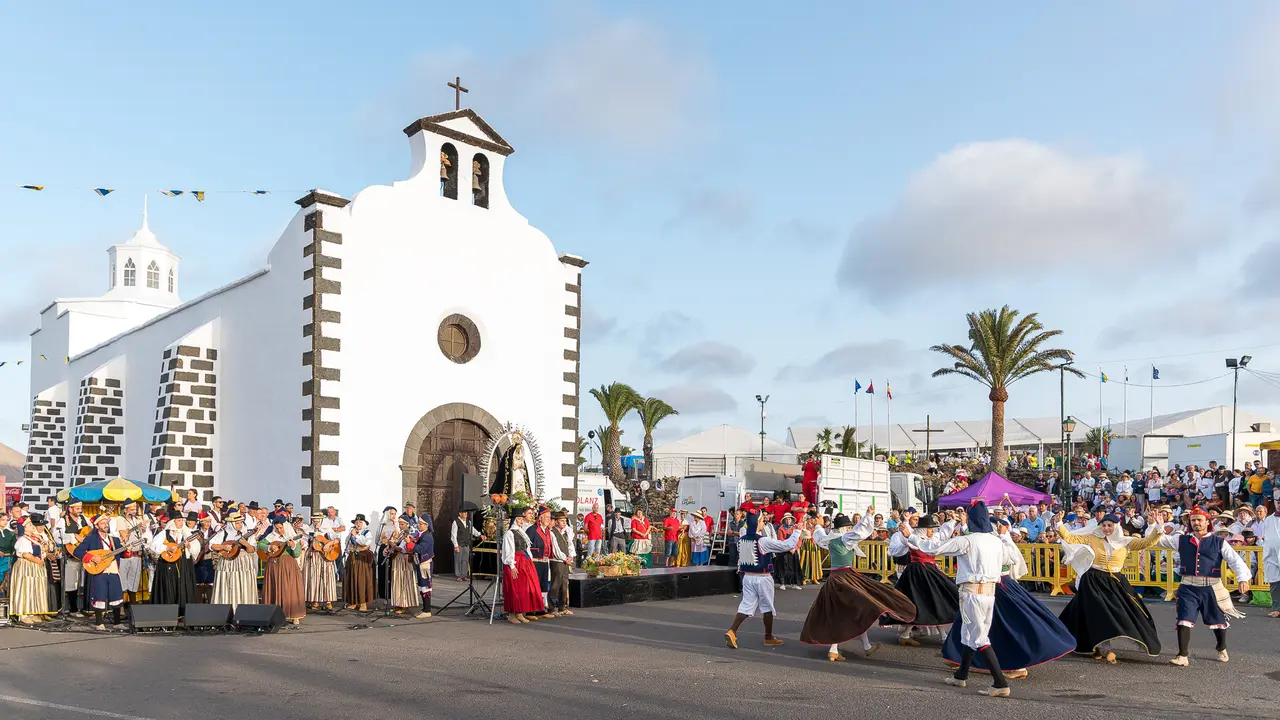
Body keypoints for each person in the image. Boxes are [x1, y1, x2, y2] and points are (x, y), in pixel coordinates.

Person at [901, 501, 1013, 697]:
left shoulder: (967, 541)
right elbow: (1009, 559)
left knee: (978, 637)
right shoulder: (996, 541)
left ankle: (1000, 682)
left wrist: (910, 536)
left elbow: (934, 548)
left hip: (972, 592)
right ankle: (961, 675)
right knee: (970, 633)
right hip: (989, 592)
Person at [940, 517, 1074, 680]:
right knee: (971, 623)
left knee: (1004, 625)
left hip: (998, 586)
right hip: (985, 587)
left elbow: (1011, 558)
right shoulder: (988, 540)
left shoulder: (996, 541)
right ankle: (960, 658)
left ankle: (1014, 667)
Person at [800, 510, 915, 661]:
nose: (849, 529)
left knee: (850, 612)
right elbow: (859, 532)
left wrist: (817, 525)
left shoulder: (829, 540)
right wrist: (867, 516)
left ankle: (864, 647)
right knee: (856, 610)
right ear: (844, 528)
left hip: (833, 579)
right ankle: (837, 649)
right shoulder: (845, 539)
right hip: (846, 578)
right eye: (848, 527)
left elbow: (819, 534)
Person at [1142, 507, 1251, 665]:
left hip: (1212, 587)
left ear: (1207, 522)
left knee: (1217, 621)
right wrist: (1155, 525)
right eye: (1193, 520)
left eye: (1199, 520)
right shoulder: (1181, 540)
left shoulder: (1219, 542)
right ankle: (1182, 656)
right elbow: (1157, 541)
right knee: (1183, 619)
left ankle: (1221, 647)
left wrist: (1243, 579)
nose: (1196, 523)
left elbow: (1235, 560)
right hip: (1188, 586)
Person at [1054, 510, 1163, 662]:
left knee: (1126, 611)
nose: (1106, 528)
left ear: (1116, 527)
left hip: (1115, 580)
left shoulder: (1126, 542)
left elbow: (1147, 542)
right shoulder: (1093, 538)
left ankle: (1100, 646)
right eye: (1104, 525)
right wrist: (1059, 523)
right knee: (1100, 613)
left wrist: (1158, 527)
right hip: (1093, 579)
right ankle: (1106, 648)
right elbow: (1070, 538)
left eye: (1109, 525)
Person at [724, 510, 802, 649]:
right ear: (758, 523)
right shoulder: (763, 541)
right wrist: (797, 531)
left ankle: (732, 631)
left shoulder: (742, 537)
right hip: (763, 577)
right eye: (761, 521)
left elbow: (744, 529)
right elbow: (787, 545)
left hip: (747, 577)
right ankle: (768, 636)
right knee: (767, 607)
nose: (763, 523)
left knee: (746, 605)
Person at [882, 515, 959, 645]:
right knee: (924, 602)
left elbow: (942, 535)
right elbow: (901, 546)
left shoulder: (927, 539)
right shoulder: (915, 540)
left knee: (930, 602)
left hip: (928, 571)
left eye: (932, 529)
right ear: (923, 529)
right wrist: (905, 524)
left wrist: (953, 522)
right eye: (930, 529)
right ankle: (940, 636)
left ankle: (938, 635)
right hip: (919, 573)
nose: (932, 531)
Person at [71, 514, 127, 630]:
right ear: (96, 526)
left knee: (116, 594)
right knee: (99, 595)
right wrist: (91, 557)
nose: (105, 525)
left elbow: (122, 554)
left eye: (106, 523)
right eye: (102, 523)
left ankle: (117, 622)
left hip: (113, 569)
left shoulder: (114, 539)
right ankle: (99, 623)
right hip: (99, 570)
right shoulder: (91, 539)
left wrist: (128, 550)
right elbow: (77, 551)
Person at [501, 506, 547, 624]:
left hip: (524, 561)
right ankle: (512, 614)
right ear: (515, 520)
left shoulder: (521, 532)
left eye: (522, 519)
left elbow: (527, 548)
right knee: (514, 588)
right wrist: (512, 565)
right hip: (516, 562)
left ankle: (520, 612)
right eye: (519, 519)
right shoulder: (509, 534)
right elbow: (509, 550)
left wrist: (529, 561)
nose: (521, 521)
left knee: (523, 588)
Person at [257, 516, 306, 624]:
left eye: (281, 528)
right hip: (273, 566)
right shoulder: (272, 536)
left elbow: (296, 554)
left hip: (288, 566)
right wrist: (270, 547)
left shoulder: (293, 537)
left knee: (289, 589)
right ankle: (274, 615)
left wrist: (293, 546)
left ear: (286, 527)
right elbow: (260, 544)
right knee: (274, 588)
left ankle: (293, 615)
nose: (279, 530)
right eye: (277, 528)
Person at [148, 510, 199, 611]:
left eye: (182, 520)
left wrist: (189, 546)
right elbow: (154, 546)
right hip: (167, 565)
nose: (181, 522)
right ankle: (167, 611)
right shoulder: (165, 533)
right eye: (179, 520)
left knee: (183, 587)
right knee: (168, 587)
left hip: (183, 565)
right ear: (173, 521)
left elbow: (196, 548)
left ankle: (182, 611)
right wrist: (167, 548)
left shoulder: (187, 534)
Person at [209, 511, 258, 609]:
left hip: (244, 563)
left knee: (244, 585)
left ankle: (244, 609)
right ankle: (226, 609)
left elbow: (252, 550)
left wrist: (246, 544)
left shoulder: (246, 533)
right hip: (228, 562)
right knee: (227, 584)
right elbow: (212, 545)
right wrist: (224, 547)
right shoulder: (223, 532)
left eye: (240, 522)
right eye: (237, 523)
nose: (240, 525)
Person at [10, 513, 54, 624]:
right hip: (25, 566)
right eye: (29, 525)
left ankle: (31, 612)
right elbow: (25, 554)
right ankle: (23, 614)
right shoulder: (23, 540)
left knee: (32, 589)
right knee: (25, 588)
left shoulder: (33, 538)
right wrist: (37, 561)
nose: (32, 526)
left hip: (34, 566)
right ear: (24, 528)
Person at [56, 500, 91, 616]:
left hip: (84, 555)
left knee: (83, 582)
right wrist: (74, 536)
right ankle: (73, 609)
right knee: (71, 583)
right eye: (77, 508)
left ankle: (87, 608)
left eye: (81, 508)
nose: (80, 510)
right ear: (70, 509)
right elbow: (57, 535)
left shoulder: (84, 519)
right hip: (71, 555)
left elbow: (90, 530)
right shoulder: (63, 521)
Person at [114, 500, 150, 605]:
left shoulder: (137, 519)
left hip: (137, 553)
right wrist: (133, 529)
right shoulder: (120, 519)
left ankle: (133, 605)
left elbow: (142, 534)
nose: (134, 511)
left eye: (135, 509)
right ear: (126, 510)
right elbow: (123, 534)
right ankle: (120, 606)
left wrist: (143, 528)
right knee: (122, 579)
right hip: (125, 553)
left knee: (134, 580)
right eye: (132, 509)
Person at [303, 513, 339, 610]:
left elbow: (337, 539)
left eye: (318, 521)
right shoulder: (309, 531)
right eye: (314, 521)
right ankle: (315, 600)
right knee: (314, 578)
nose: (316, 523)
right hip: (313, 556)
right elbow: (304, 542)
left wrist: (329, 544)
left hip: (326, 557)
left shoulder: (327, 530)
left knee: (327, 578)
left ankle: (328, 601)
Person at [386, 516, 419, 615]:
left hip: (405, 560)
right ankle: (397, 604)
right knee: (397, 581)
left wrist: (394, 545)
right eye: (400, 524)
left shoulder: (410, 535)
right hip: (397, 559)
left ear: (407, 524)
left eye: (402, 524)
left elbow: (405, 549)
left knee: (404, 582)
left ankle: (405, 605)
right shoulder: (400, 534)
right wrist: (390, 547)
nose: (401, 526)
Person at [344, 514, 376, 612]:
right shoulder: (352, 532)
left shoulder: (367, 533)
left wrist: (356, 535)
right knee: (353, 578)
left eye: (360, 522)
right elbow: (347, 543)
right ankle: (353, 601)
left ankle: (363, 603)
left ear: (364, 523)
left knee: (362, 580)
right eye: (356, 522)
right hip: (353, 557)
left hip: (363, 559)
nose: (358, 524)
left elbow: (365, 543)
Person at [548, 510, 576, 617]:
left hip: (565, 562)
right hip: (557, 561)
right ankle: (551, 607)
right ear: (556, 522)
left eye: (565, 520)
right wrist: (565, 558)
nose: (564, 523)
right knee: (555, 584)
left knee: (564, 584)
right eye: (561, 521)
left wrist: (571, 556)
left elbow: (570, 546)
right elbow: (556, 550)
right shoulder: (552, 533)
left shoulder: (565, 533)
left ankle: (562, 607)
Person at [411, 515, 434, 619]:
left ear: (426, 525)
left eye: (421, 524)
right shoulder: (421, 534)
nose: (418, 525)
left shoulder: (427, 536)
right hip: (420, 563)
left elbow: (420, 549)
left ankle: (427, 610)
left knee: (425, 586)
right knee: (421, 586)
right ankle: (424, 609)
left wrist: (410, 543)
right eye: (418, 523)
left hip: (425, 563)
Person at [773, 513, 804, 590]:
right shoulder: (781, 528)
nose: (788, 520)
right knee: (783, 567)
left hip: (793, 550)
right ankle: (782, 583)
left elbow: (799, 540)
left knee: (795, 567)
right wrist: (788, 548)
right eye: (786, 519)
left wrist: (795, 548)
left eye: (789, 519)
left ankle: (795, 583)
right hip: (784, 551)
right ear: (784, 520)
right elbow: (781, 540)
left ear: (791, 520)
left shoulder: (795, 528)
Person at [451, 509, 482, 581]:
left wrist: (480, 535)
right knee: (458, 560)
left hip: (466, 544)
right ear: (460, 513)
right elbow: (453, 535)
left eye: (466, 513)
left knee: (465, 560)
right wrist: (456, 545)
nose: (466, 514)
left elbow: (473, 530)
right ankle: (458, 576)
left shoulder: (468, 522)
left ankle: (464, 575)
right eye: (464, 513)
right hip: (459, 544)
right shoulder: (456, 522)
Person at [798, 515, 824, 585]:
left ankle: (814, 577)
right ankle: (803, 577)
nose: (812, 520)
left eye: (813, 518)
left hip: (814, 543)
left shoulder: (817, 526)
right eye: (811, 518)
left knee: (815, 560)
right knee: (805, 560)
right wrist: (805, 524)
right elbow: (802, 533)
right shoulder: (804, 524)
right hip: (806, 543)